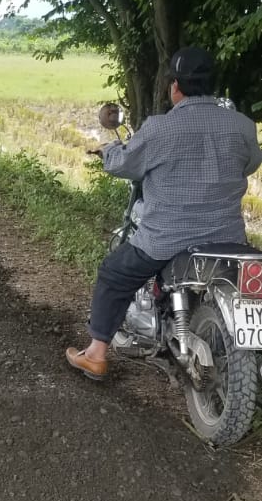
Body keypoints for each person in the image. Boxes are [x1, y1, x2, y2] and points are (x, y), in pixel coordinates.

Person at [66, 46, 262, 380]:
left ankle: (96, 354)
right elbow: (251, 164)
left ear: (175, 86)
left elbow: (124, 164)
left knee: (114, 273)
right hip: (228, 238)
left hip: (165, 240)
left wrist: (109, 151)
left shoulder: (160, 128)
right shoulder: (242, 126)